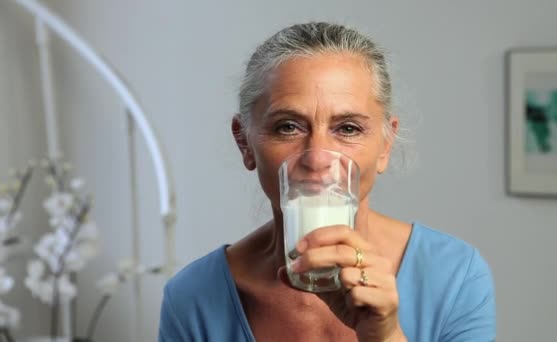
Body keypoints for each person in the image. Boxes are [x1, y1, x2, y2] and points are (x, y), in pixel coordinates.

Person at [158, 22, 496, 342]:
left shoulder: (454, 276)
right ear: (245, 143)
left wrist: (386, 336)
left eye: (347, 128)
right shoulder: (193, 297)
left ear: (385, 145)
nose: (318, 157)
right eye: (288, 126)